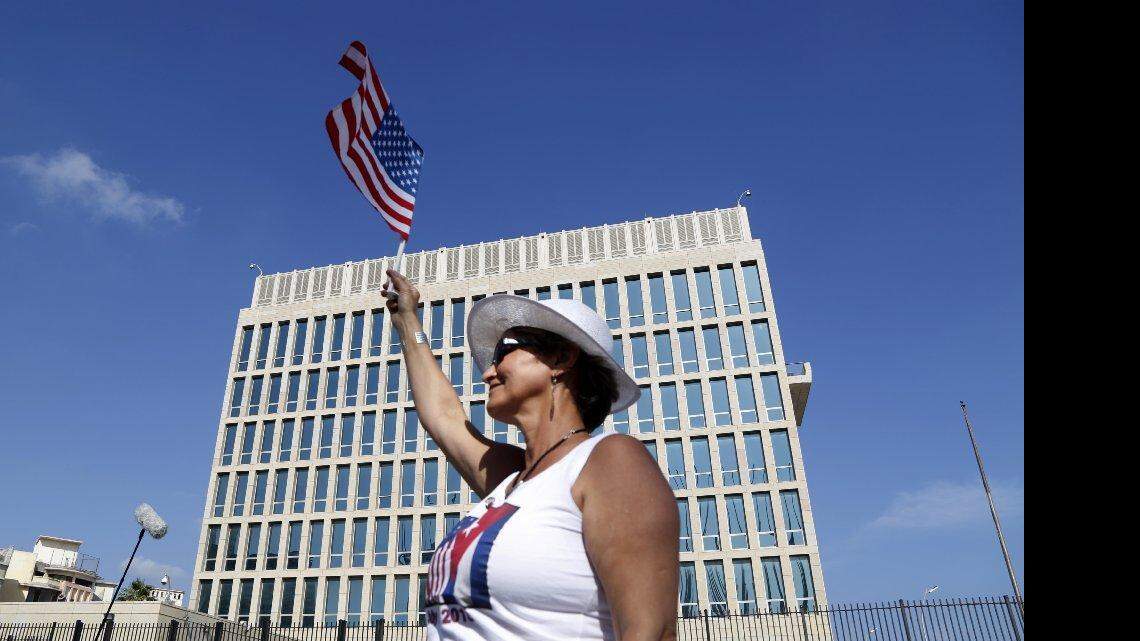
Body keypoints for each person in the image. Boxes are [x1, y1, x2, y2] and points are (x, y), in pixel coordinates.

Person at [382, 269, 679, 641]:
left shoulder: (609, 461)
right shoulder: (510, 479)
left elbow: (650, 631)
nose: (488, 372)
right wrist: (407, 319)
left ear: (560, 358)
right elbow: (443, 417)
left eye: (503, 352)